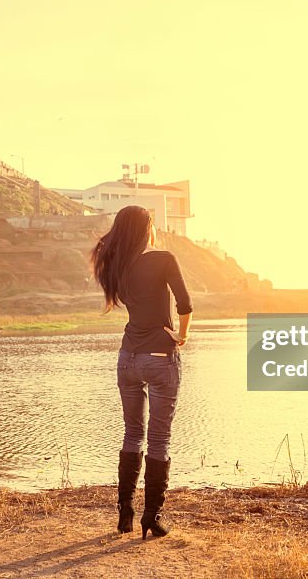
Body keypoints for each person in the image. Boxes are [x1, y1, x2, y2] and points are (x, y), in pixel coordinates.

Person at [90, 205, 192, 539]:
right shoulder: (163, 258)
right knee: (159, 437)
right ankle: (153, 515)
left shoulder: (116, 264)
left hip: (128, 358)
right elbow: (185, 304)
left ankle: (125, 514)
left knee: (132, 434)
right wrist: (182, 334)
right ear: (147, 228)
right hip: (160, 356)